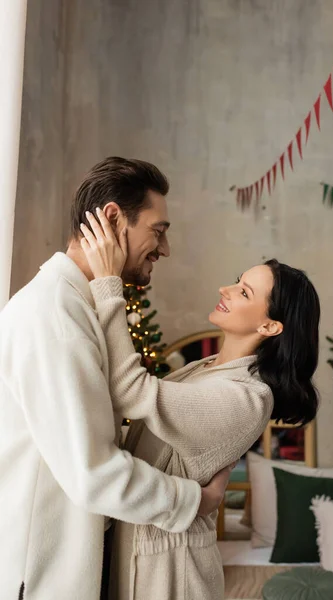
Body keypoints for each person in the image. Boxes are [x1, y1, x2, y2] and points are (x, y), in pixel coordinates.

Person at [0, 157, 232, 600]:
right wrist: (195, 502)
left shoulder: (77, 308)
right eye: (158, 231)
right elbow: (94, 474)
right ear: (112, 219)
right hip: (40, 581)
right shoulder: (54, 315)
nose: (164, 249)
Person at [79, 208, 321, 600]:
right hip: (139, 554)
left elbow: (132, 392)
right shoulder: (205, 368)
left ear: (269, 326)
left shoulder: (248, 397)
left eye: (244, 292)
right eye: (237, 282)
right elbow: (144, 425)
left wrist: (109, 283)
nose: (226, 289)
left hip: (173, 577)